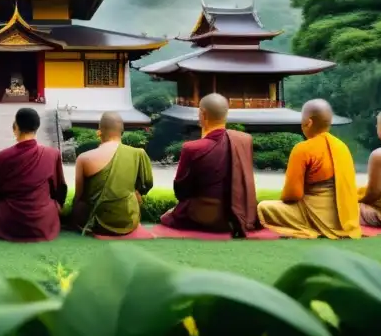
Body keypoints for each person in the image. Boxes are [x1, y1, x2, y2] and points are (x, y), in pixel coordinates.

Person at [256, 99, 361, 239]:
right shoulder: (342, 147)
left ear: (309, 122)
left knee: (263, 207)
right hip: (346, 220)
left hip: (315, 216)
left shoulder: (302, 149)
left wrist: (284, 199)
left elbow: (293, 195)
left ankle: (310, 228)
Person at [160, 93, 258, 236]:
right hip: (238, 215)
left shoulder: (192, 148)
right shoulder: (244, 140)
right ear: (225, 114)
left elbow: (181, 190)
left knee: (167, 217)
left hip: (204, 215)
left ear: (203, 114)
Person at [0, 107, 67, 242]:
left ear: (15, 127)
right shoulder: (52, 154)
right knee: (54, 205)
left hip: (8, 220)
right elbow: (59, 189)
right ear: (37, 127)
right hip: (42, 222)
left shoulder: (1, 157)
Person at [69, 111, 154, 236]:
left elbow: (79, 196)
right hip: (128, 221)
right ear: (122, 132)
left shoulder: (84, 158)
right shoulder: (138, 153)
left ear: (99, 132)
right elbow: (147, 184)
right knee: (136, 194)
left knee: (79, 205)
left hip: (96, 222)